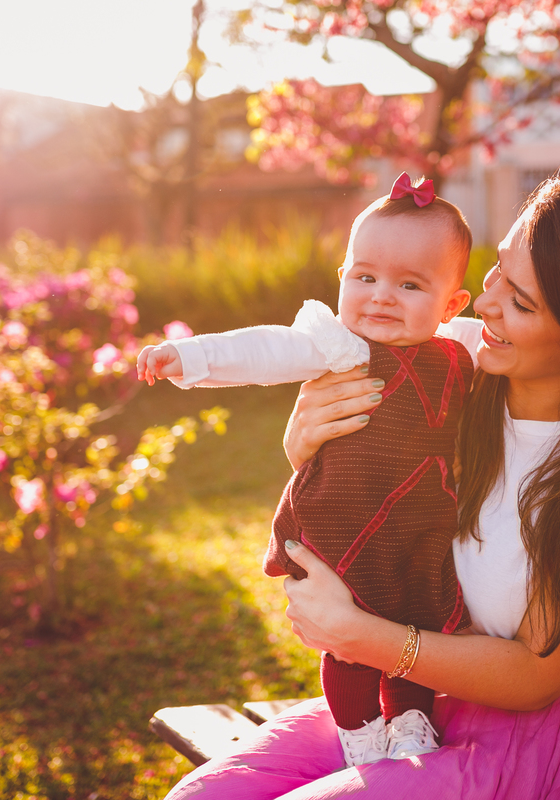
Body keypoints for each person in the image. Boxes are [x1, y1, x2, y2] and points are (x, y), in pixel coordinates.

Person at [162, 176, 560, 799]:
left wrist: (358, 636)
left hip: (533, 736)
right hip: (424, 703)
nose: (486, 302)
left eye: (523, 303)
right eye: (499, 270)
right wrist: (304, 444)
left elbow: (536, 676)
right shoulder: (455, 374)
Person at [138, 173, 477, 766]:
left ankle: (412, 718)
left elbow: (521, 350)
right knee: (346, 642)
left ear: (450, 305)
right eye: (365, 277)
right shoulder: (337, 345)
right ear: (343, 278)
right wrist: (190, 356)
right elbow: (263, 350)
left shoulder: (461, 352)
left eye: (410, 284)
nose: (381, 296)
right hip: (339, 526)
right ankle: (360, 732)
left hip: (421, 529)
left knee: (417, 619)